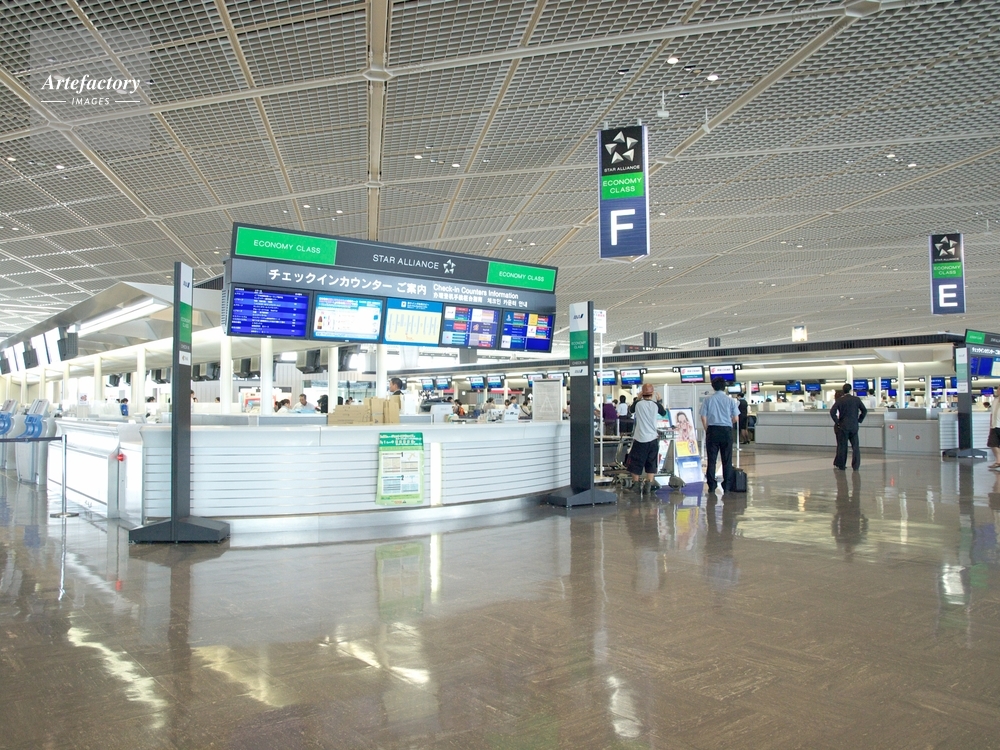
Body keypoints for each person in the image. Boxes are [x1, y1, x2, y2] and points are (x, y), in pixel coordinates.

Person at [699, 378, 740, 493]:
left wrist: (707, 428)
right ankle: (726, 486)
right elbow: (736, 418)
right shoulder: (731, 400)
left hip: (713, 430)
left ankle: (712, 485)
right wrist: (728, 423)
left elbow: (703, 417)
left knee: (712, 460)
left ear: (713, 387)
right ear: (724, 387)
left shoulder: (708, 400)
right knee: (727, 459)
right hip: (726, 431)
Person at [627, 383, 667, 493]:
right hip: (653, 439)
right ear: (652, 393)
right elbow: (664, 413)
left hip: (640, 439)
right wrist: (659, 401)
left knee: (636, 462)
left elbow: (630, 410)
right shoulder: (656, 405)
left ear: (642, 393)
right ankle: (648, 486)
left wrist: (637, 398)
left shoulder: (638, 404)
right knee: (651, 462)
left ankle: (636, 485)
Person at [830, 383, 867, 471]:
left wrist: (837, 421)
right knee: (855, 446)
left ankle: (842, 465)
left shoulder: (840, 400)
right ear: (851, 390)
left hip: (843, 426)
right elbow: (864, 410)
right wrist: (859, 420)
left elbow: (832, 412)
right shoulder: (856, 400)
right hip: (854, 426)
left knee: (843, 446)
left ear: (843, 391)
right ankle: (856, 465)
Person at [988, 396, 1000, 470]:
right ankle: (998, 461)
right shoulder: (995, 400)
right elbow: (992, 414)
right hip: (995, 426)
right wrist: (991, 425)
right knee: (992, 443)